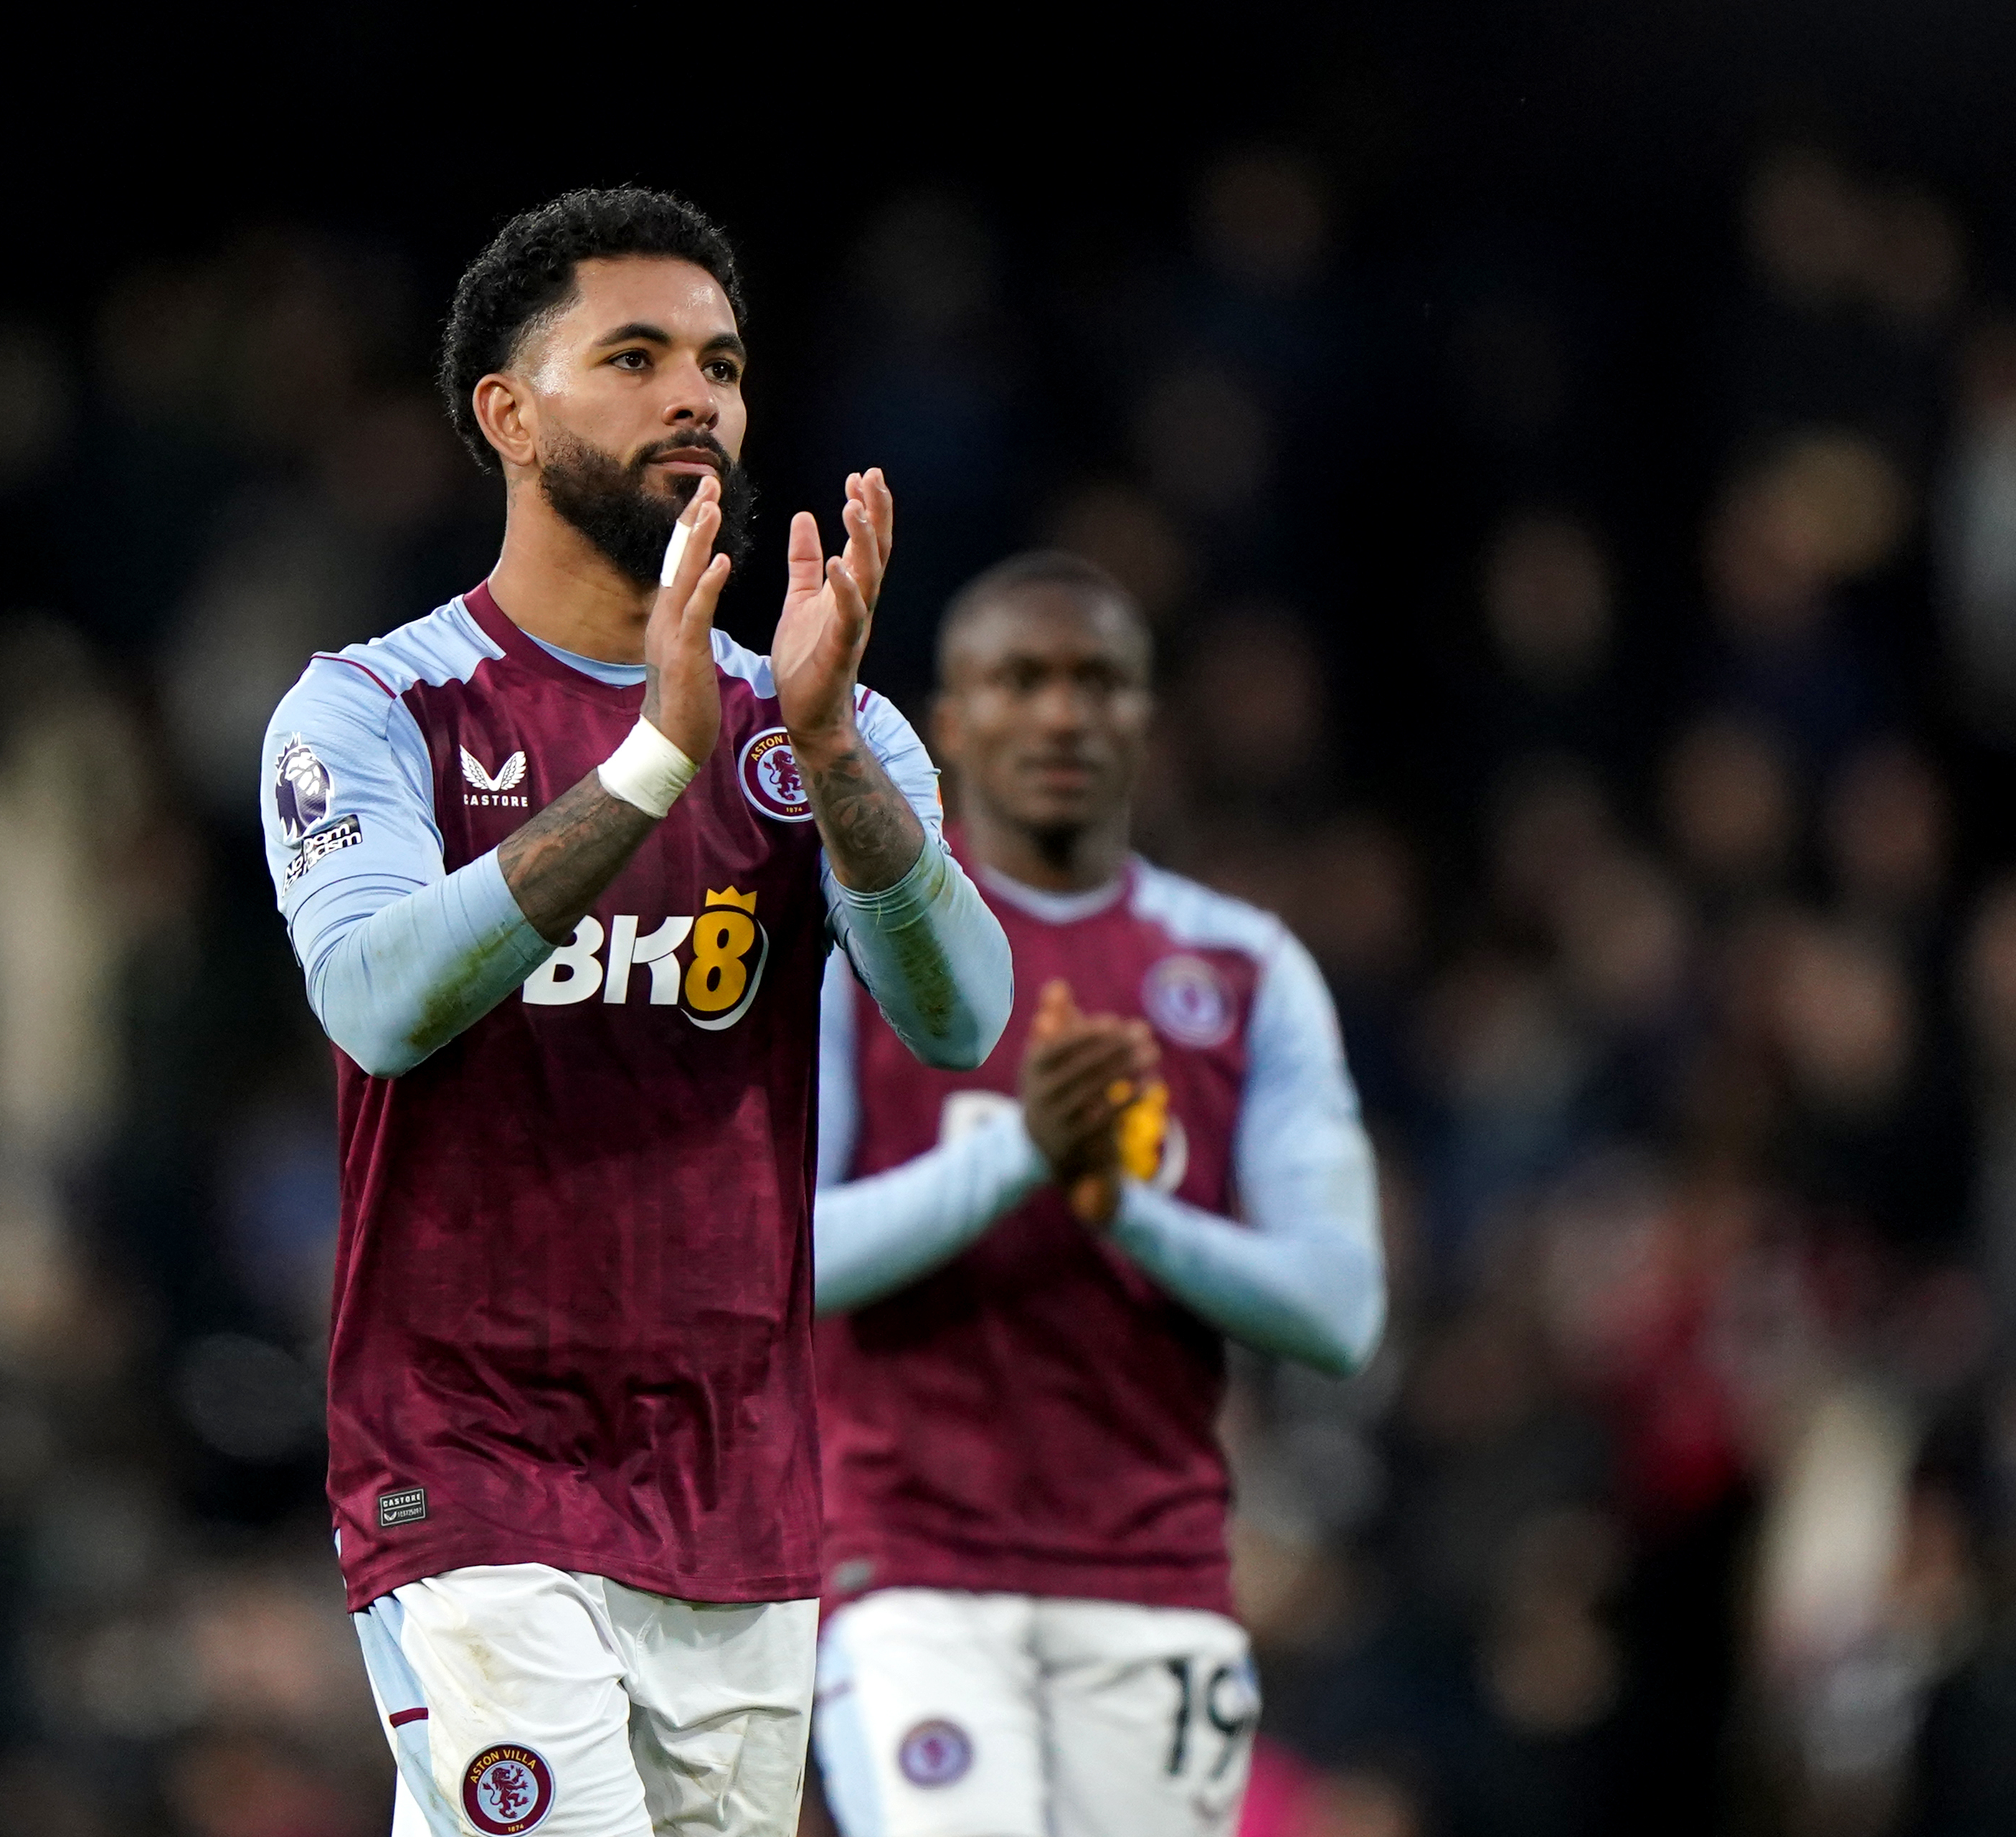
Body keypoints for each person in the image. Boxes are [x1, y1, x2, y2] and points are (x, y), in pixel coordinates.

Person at [257, 189, 1013, 1837]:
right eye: (636, 357)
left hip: (736, 1493)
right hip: (470, 1472)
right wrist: (653, 765)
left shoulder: (818, 719)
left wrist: (829, 758)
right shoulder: (376, 708)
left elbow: (962, 1016)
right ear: (508, 415)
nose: (698, 399)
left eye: (721, 365)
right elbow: (376, 1003)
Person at [809, 552, 1385, 1837]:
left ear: (1144, 716)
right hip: (909, 1564)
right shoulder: (853, 948)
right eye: (1021, 680)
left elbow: (1341, 1308)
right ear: (950, 723)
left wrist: (1124, 1209)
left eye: (1099, 681)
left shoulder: (1243, 970)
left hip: (1156, 1570)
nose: (1063, 713)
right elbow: (779, 1259)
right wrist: (1018, 1152)